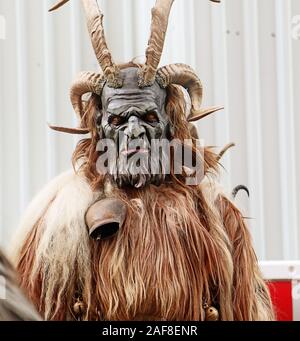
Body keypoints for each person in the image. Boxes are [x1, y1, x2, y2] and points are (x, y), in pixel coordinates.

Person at [10, 0, 274, 321]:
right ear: (99, 129)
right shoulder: (58, 225)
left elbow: (246, 310)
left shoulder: (217, 218)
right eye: (119, 121)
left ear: (170, 123)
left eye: (148, 117)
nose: (134, 132)